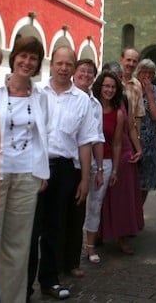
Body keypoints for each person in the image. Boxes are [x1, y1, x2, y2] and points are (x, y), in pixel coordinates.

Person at [0, 36, 49, 303]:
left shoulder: (40, 95)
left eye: (33, 58)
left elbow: (44, 133)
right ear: (14, 57)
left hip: (27, 175)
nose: (27, 62)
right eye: (23, 56)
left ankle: (14, 298)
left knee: (19, 245)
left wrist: (41, 172)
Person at [27, 46, 96, 301]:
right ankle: (23, 287)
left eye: (69, 64)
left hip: (65, 169)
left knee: (56, 228)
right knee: (31, 230)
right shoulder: (35, 93)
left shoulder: (82, 100)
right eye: (59, 63)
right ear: (51, 64)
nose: (64, 68)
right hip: (34, 167)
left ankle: (50, 281)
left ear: (74, 67)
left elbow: (86, 141)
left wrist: (85, 179)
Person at [60, 59, 105, 278]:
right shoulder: (63, 97)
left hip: (84, 166)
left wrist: (99, 169)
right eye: (82, 71)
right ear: (74, 73)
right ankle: (56, 262)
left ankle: (72, 262)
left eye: (90, 72)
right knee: (58, 217)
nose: (86, 75)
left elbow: (96, 138)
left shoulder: (95, 104)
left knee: (77, 215)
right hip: (63, 163)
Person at [99, 62, 144, 254]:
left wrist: (138, 148)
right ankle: (99, 232)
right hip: (100, 150)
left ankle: (122, 236)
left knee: (122, 197)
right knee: (101, 196)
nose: (116, 79)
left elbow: (131, 126)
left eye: (118, 76)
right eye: (112, 76)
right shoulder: (94, 101)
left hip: (123, 151)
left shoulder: (123, 100)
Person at [84, 71, 124, 263]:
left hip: (105, 163)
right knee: (79, 204)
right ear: (99, 86)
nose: (109, 90)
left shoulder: (118, 113)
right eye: (106, 86)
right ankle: (77, 242)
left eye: (113, 87)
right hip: (83, 160)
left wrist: (115, 169)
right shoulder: (89, 105)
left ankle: (90, 247)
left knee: (95, 204)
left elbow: (117, 144)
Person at [134, 59, 156, 204]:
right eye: (144, 72)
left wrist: (150, 93)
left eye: (150, 73)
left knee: (145, 181)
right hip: (133, 137)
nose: (147, 76)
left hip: (149, 141)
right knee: (131, 178)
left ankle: (139, 211)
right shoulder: (132, 87)